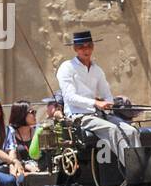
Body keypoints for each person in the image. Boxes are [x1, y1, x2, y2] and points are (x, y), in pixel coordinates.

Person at [55, 30, 140, 165]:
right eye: (81, 46)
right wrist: (95, 102)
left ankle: (141, 167)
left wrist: (109, 104)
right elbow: (70, 97)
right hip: (79, 116)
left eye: (88, 45)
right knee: (112, 130)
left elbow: (106, 93)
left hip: (98, 115)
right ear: (75, 48)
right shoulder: (67, 68)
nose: (85, 49)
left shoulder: (97, 70)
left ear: (93, 47)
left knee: (132, 131)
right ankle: (132, 169)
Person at [8, 101, 38, 166]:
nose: (35, 114)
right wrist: (25, 166)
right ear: (21, 114)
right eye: (32, 112)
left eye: (35, 112)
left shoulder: (37, 131)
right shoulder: (10, 134)